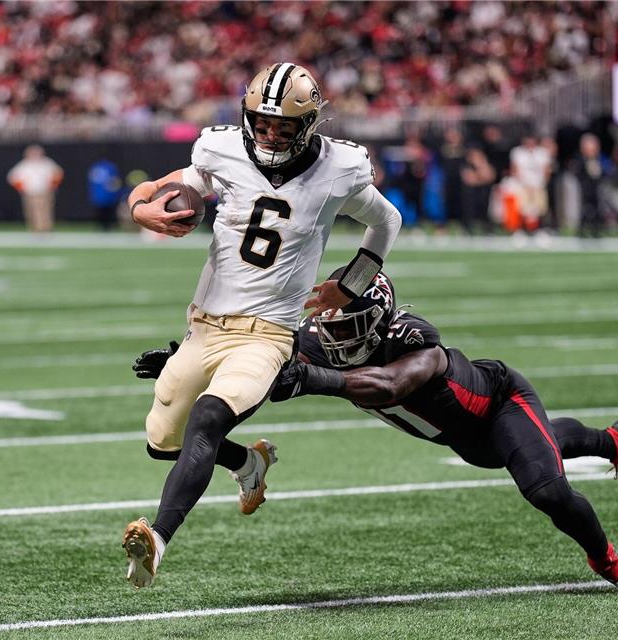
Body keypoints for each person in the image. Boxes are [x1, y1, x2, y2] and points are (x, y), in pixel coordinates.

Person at [138, 270, 618, 594]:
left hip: (499, 403)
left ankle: (608, 562)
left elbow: (389, 386)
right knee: (522, 451)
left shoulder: (415, 340)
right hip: (459, 434)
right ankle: (617, 442)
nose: (334, 338)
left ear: (379, 321)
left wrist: (314, 379)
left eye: (348, 328)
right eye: (330, 327)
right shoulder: (321, 337)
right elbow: (256, 361)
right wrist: (191, 363)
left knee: (544, 486)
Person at [121, 62, 402, 589]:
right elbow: (166, 184)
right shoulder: (221, 149)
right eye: (263, 123)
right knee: (162, 441)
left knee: (208, 419)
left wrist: (352, 282)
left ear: (309, 124)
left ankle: (156, 539)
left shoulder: (339, 167)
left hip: (268, 334)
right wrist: (142, 210)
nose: (270, 134)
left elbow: (387, 220)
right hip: (205, 326)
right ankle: (249, 465)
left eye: (283, 126)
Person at [7, 145, 64, 233]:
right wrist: (21, 188)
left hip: (45, 191)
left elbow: (58, 174)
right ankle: (35, 229)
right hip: (30, 192)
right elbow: (12, 177)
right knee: (31, 210)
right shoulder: (24, 165)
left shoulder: (47, 163)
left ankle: (45, 229)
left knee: (45, 210)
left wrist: (52, 186)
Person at [87, 158, 122, 231]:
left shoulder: (96, 167)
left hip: (100, 195)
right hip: (106, 195)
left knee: (102, 212)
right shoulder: (109, 168)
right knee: (104, 212)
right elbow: (115, 182)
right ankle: (105, 226)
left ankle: (102, 226)